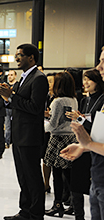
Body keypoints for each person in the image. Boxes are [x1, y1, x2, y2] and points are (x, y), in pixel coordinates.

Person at [0, 43, 48, 220]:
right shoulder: (23, 78)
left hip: (30, 136)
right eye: (16, 55)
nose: (16, 58)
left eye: (20, 55)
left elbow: (35, 107)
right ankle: (25, 210)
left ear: (31, 57)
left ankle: (35, 214)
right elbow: (15, 103)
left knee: (33, 177)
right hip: (19, 135)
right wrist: (6, 96)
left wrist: (11, 96)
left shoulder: (39, 78)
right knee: (23, 176)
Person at [60, 47, 104, 220]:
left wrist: (87, 144)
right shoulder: (86, 100)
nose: (99, 67)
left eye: (103, 62)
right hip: (97, 171)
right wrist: (83, 147)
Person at [43, 72, 78, 217]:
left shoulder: (57, 101)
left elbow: (53, 125)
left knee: (57, 173)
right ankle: (75, 204)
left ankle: (58, 205)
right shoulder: (73, 99)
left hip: (58, 139)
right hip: (71, 138)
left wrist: (41, 127)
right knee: (69, 174)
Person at [42, 73, 56, 194]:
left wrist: (50, 115)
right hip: (46, 130)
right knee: (45, 159)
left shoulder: (58, 99)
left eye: (51, 82)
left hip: (55, 131)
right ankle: (46, 183)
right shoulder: (45, 96)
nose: (49, 84)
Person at [4, 70, 18, 148]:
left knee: (15, 126)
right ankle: (7, 142)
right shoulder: (6, 86)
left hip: (15, 108)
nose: (10, 76)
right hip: (7, 108)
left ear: (15, 76)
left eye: (11, 75)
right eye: (8, 75)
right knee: (7, 126)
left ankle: (15, 141)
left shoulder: (17, 85)